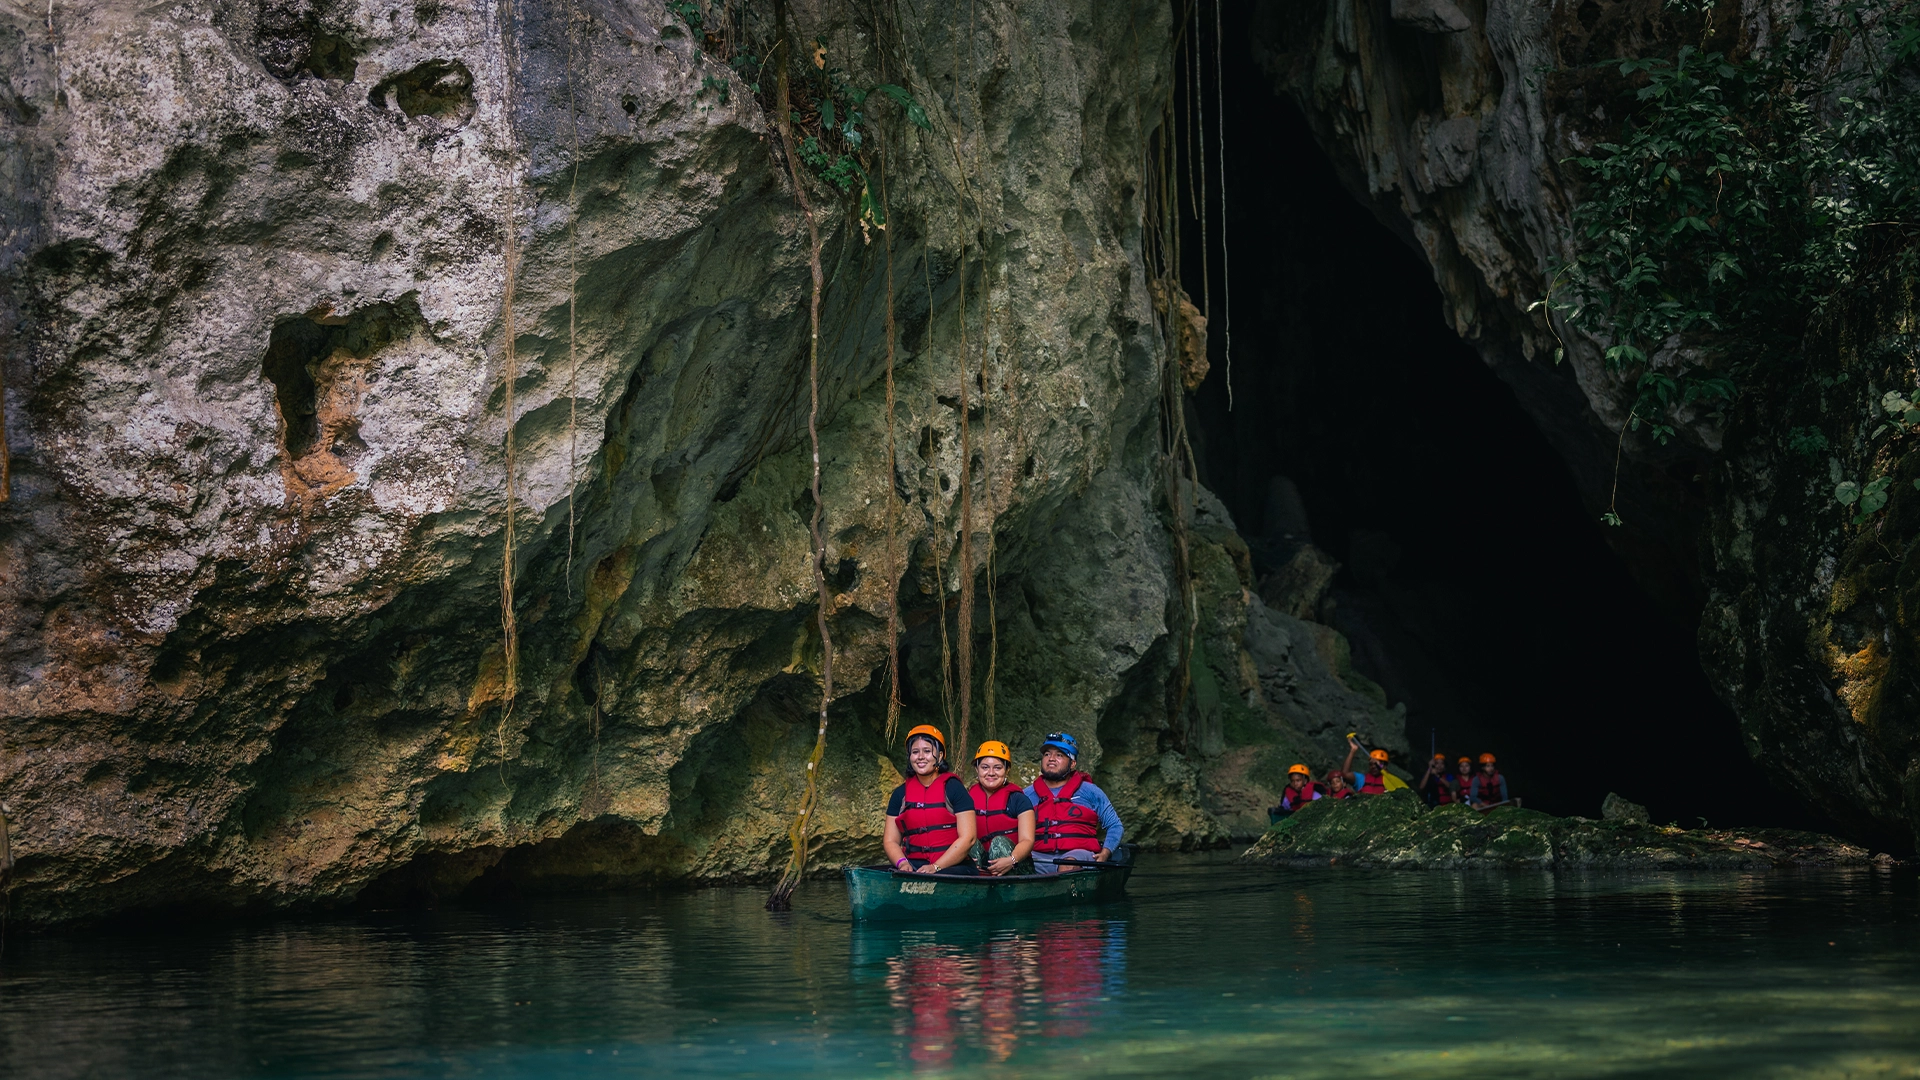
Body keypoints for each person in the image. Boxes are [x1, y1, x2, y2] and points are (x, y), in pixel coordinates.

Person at [1023, 732, 1124, 874]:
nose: (1051, 758)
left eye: (1059, 755)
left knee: (1068, 864)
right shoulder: (1026, 794)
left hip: (1077, 856)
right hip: (1039, 857)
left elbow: (1115, 825)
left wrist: (1105, 853)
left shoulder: (1090, 791)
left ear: (1072, 764)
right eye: (1047, 754)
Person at [883, 725, 978, 874]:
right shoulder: (900, 794)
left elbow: (969, 837)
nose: (920, 757)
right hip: (914, 865)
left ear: (939, 756)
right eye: (915, 752)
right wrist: (902, 863)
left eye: (927, 751)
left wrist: (936, 866)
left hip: (953, 866)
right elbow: (890, 840)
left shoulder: (954, 788)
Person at [969, 740, 1036, 875]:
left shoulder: (1018, 799)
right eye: (985, 767)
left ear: (1007, 769)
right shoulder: (967, 798)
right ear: (977, 769)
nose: (991, 773)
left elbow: (1027, 840)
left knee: (999, 843)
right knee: (968, 842)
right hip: (982, 865)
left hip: (1015, 865)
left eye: (998, 768)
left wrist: (1012, 860)